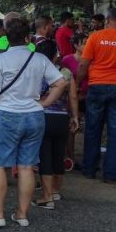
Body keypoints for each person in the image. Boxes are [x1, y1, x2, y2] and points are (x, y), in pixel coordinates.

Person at [0, 17, 66, 228]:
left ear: (7, 37)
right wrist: (44, 103)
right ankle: (22, 214)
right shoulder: (39, 59)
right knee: (27, 166)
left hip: (8, 115)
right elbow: (61, 83)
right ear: (28, 37)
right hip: (34, 116)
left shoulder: (1, 60)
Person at [77, 8, 116, 183]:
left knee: (92, 128)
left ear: (107, 20)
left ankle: (89, 169)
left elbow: (83, 65)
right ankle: (111, 173)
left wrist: (77, 85)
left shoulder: (95, 37)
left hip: (96, 86)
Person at [33, 40, 79, 210]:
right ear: (55, 55)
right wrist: (74, 117)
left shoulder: (35, 71)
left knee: (45, 157)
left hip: (42, 117)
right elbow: (73, 97)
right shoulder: (65, 72)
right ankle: (56, 190)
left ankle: (47, 197)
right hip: (62, 119)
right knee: (59, 154)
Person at [60, 32, 88, 164]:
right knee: (71, 129)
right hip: (72, 98)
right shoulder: (67, 60)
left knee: (89, 128)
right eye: (84, 43)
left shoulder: (92, 59)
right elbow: (63, 79)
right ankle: (70, 156)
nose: (87, 45)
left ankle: (85, 157)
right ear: (76, 45)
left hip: (87, 97)